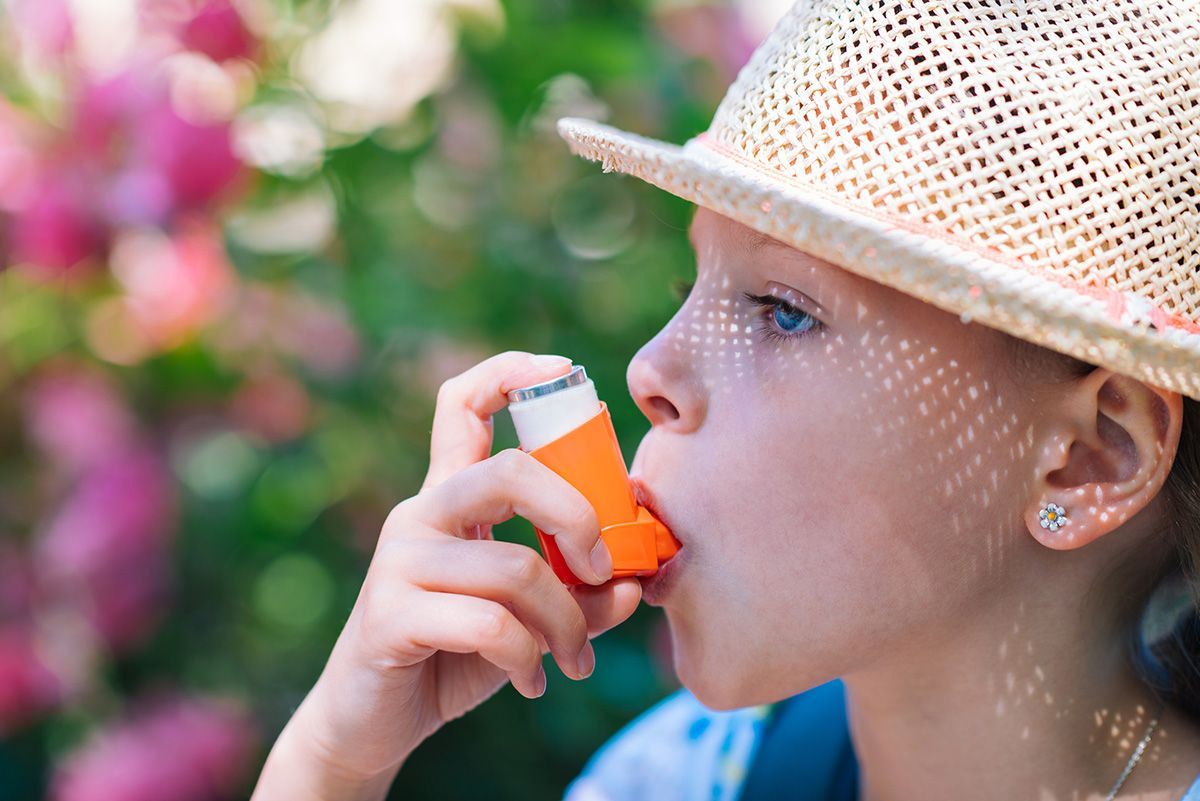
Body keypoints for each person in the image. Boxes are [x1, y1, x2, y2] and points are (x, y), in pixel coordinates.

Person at [251, 0, 1200, 798]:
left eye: (783, 312)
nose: (647, 369)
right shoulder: (680, 780)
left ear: (1089, 456)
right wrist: (336, 759)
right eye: (688, 289)